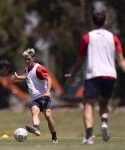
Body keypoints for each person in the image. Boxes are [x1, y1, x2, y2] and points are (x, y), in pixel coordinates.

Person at [65, 12, 125, 144]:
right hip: (110, 75)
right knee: (104, 103)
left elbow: (80, 60)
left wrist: (72, 75)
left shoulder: (87, 37)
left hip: (93, 75)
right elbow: (121, 60)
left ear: (93, 22)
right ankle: (104, 123)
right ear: (105, 22)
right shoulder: (113, 37)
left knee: (88, 105)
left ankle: (89, 137)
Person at [13, 48, 58, 143]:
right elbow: (28, 77)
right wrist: (18, 77)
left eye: (28, 59)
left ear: (33, 58)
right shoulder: (27, 69)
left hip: (43, 96)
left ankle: (54, 137)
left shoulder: (39, 68)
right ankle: (36, 129)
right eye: (25, 59)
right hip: (34, 98)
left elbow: (49, 78)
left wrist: (48, 91)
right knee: (34, 112)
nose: (27, 61)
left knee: (48, 115)